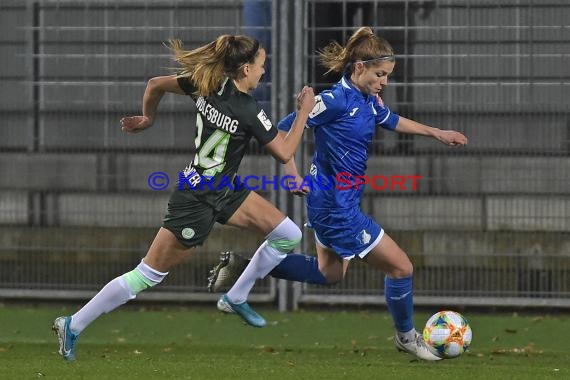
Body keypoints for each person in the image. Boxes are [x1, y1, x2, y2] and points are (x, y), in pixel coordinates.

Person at [209, 27, 468, 361]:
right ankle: (406, 337)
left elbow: (390, 119)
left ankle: (247, 267)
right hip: (337, 207)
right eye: (380, 75)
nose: (384, 83)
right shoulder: (334, 100)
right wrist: (291, 174)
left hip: (333, 202)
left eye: (387, 76)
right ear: (359, 67)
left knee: (329, 273)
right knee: (401, 268)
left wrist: (437, 133)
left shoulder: (366, 99)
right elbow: (283, 129)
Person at [52, 34, 316, 361]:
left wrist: (148, 119)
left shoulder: (204, 82)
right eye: (262, 66)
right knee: (147, 274)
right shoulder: (247, 108)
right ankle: (73, 323)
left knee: (287, 234)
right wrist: (304, 111)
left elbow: (154, 85)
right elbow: (285, 149)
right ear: (246, 69)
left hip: (224, 188)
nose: (264, 71)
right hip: (197, 199)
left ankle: (235, 297)